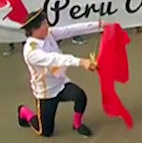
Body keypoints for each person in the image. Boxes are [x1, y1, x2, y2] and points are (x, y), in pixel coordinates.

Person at [16, 9, 100, 137]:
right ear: (34, 30)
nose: (47, 26)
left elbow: (71, 29)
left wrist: (98, 24)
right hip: (46, 93)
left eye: (46, 22)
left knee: (80, 96)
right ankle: (24, 111)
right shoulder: (31, 51)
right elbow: (55, 59)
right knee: (45, 132)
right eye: (44, 24)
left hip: (60, 83)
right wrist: (81, 62)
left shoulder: (48, 34)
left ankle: (77, 124)